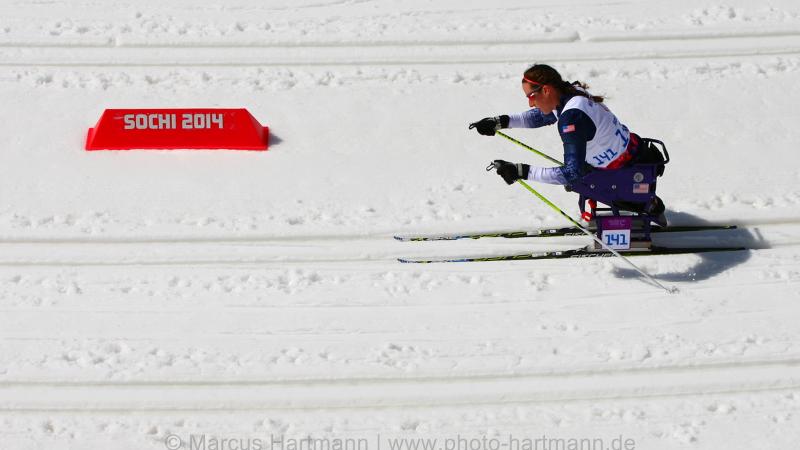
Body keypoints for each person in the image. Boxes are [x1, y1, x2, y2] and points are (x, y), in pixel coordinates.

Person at [469, 63, 666, 224]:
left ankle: (641, 204)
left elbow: (572, 173)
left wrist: (522, 171)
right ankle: (642, 201)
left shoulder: (571, 118)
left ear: (546, 90)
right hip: (636, 151)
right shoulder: (571, 93)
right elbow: (541, 116)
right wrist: (500, 121)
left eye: (531, 96)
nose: (530, 103)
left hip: (620, 172)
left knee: (575, 180)